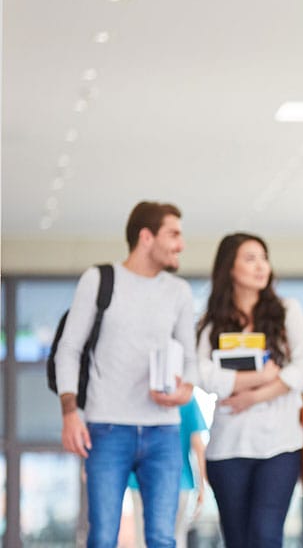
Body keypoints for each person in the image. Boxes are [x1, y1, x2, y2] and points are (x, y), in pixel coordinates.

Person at [55, 201, 198, 548]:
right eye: (173, 234)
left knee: (163, 538)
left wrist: (186, 391)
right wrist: (70, 413)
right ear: (146, 237)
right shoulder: (100, 280)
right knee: (103, 536)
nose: (181, 244)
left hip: (163, 432)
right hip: (106, 428)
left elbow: (192, 359)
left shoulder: (178, 291)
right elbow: (69, 349)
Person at [196, 233, 303, 547]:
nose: (260, 266)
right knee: (237, 540)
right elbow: (202, 374)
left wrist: (254, 396)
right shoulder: (211, 324)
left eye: (263, 258)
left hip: (280, 446)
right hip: (228, 448)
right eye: (250, 259)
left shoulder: (286, 311)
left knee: (266, 535)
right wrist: (259, 377)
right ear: (229, 268)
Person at [129, 398, 208, 548]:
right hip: (179, 483)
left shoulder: (143, 395)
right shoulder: (187, 398)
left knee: (143, 540)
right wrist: (202, 486)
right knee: (176, 539)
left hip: (142, 482)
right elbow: (198, 445)